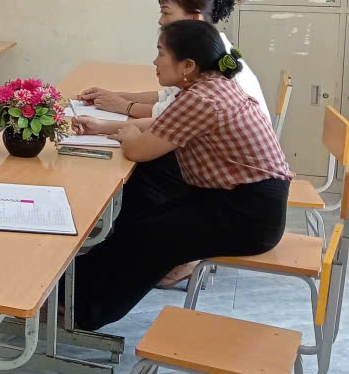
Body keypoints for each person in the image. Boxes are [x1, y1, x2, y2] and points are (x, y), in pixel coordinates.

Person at [72, 22, 291, 331]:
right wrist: (107, 127)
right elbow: (167, 126)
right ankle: (77, 288)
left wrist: (129, 134)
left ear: (188, 65)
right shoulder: (212, 85)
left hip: (248, 217)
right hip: (241, 201)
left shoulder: (201, 98)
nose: (155, 62)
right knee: (142, 214)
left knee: (149, 236)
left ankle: (84, 311)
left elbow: (139, 150)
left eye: (161, 53)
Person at [78, 0, 268, 119]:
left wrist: (122, 106)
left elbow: (171, 113)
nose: (161, 21)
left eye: (166, 13)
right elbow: (167, 97)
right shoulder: (204, 46)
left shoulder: (210, 57)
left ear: (194, 18)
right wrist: (113, 96)